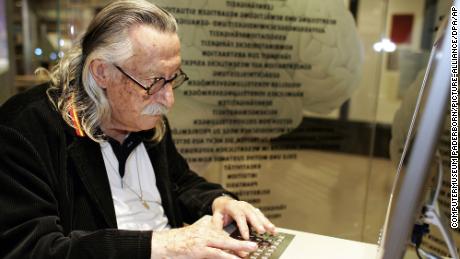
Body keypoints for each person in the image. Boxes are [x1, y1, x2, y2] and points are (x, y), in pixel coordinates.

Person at [0, 1, 276, 258]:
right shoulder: (25, 129)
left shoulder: (145, 117)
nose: (168, 100)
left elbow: (180, 182)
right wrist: (163, 244)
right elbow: (31, 248)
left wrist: (219, 202)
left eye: (172, 79)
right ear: (102, 73)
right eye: (153, 82)